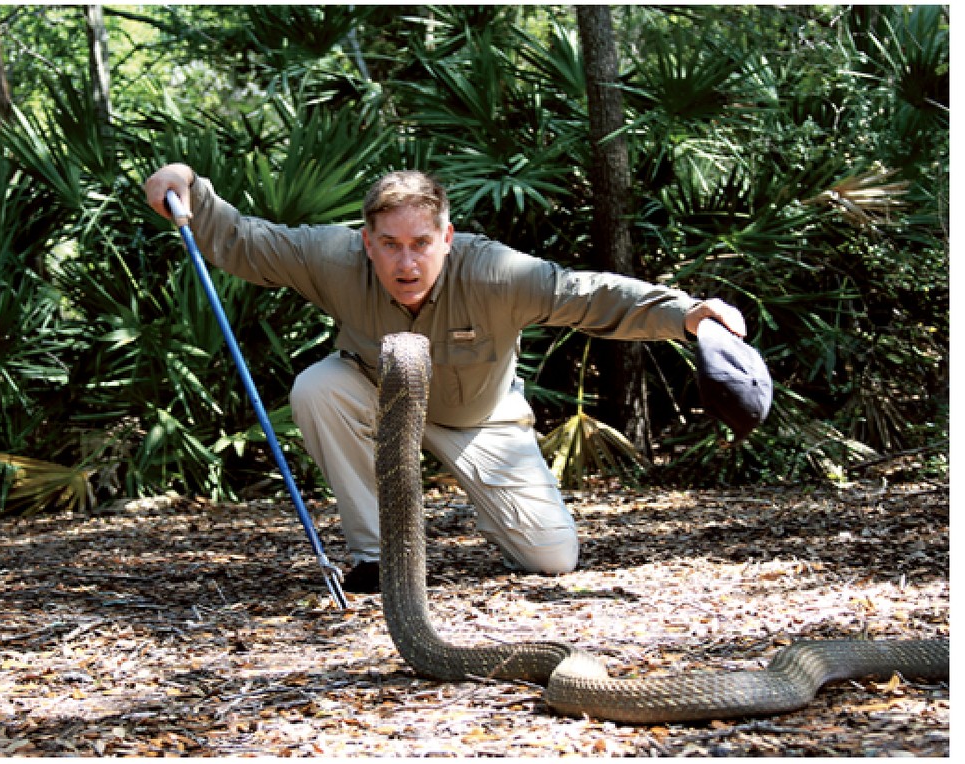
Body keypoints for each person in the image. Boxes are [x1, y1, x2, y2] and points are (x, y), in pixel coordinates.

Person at [144, 164, 747, 593]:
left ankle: (497, 513)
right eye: (390, 245)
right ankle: (379, 557)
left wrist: (687, 314)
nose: (406, 263)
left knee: (554, 558)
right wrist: (187, 187)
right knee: (317, 386)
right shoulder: (332, 258)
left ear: (447, 239)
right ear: (368, 243)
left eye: (421, 245)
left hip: (481, 418)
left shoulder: (498, 273)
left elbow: (590, 295)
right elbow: (249, 241)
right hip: (376, 392)